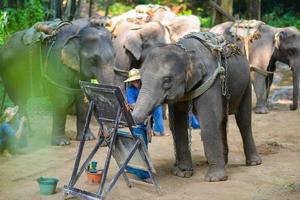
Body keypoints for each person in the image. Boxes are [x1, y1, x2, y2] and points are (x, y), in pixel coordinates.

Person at [124, 68, 159, 182]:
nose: (136, 83)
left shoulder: (146, 88)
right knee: (140, 147)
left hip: (147, 123)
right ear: (131, 82)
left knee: (143, 147)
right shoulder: (130, 91)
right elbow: (133, 105)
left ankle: (128, 167)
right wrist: (143, 106)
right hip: (137, 123)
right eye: (134, 81)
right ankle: (144, 175)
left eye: (138, 80)